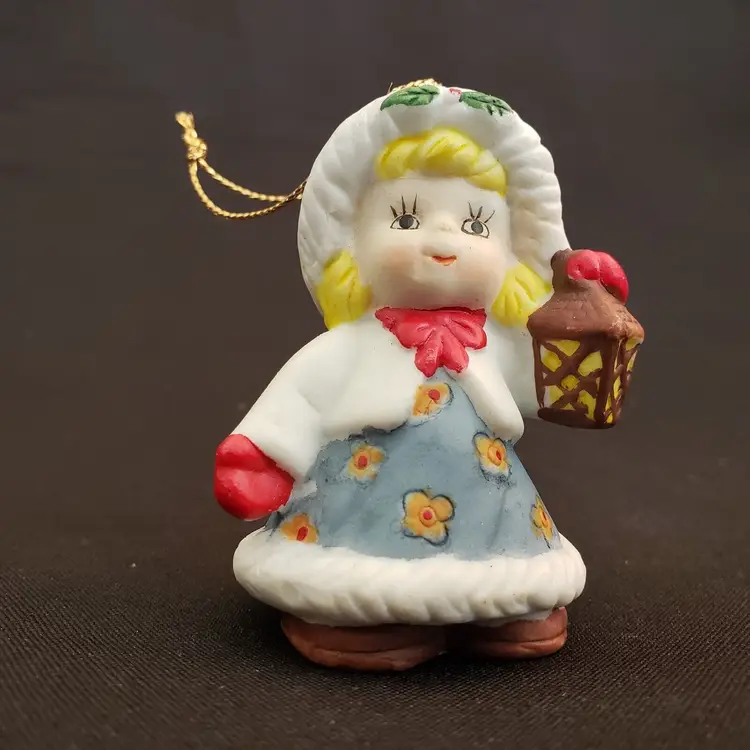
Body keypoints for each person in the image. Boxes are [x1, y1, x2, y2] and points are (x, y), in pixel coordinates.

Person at [216, 81, 623, 670]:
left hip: (489, 503)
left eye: (476, 226)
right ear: (351, 244)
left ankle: (503, 602)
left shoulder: (496, 343)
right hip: (364, 498)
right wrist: (261, 455)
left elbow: (547, 385)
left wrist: (585, 310)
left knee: (505, 561)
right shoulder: (350, 345)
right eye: (405, 218)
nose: (443, 242)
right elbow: (301, 395)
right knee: (360, 571)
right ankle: (364, 613)